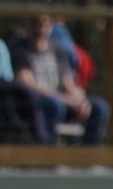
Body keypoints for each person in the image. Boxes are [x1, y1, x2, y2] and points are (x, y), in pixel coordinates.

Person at [9, 15, 106, 145]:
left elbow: (68, 83)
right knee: (54, 105)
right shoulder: (18, 49)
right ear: (28, 22)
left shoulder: (58, 49)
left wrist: (81, 101)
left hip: (62, 101)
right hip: (35, 104)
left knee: (99, 107)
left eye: (46, 21)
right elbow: (27, 83)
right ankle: (50, 152)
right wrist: (65, 99)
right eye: (37, 21)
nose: (42, 24)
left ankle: (91, 153)